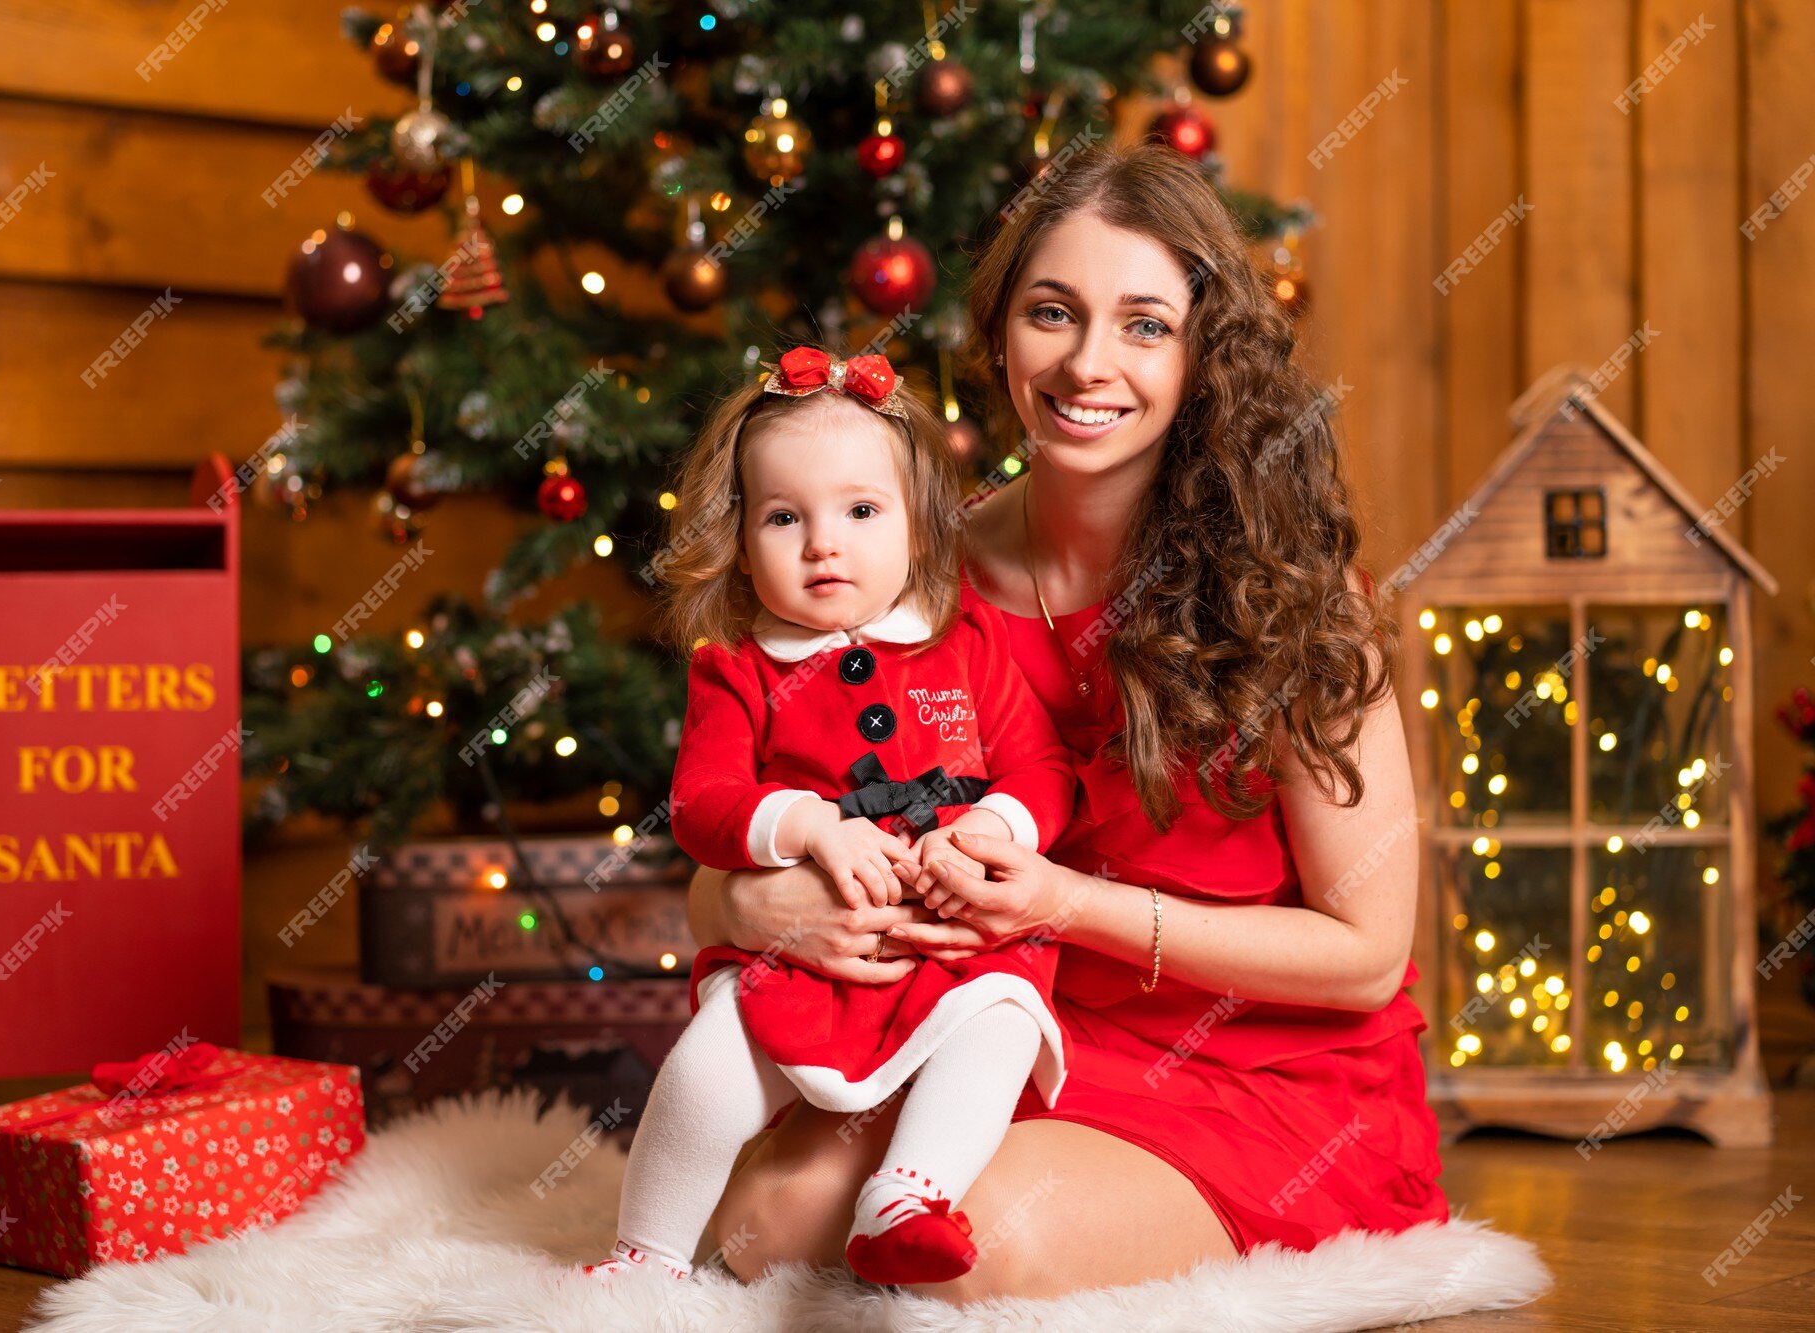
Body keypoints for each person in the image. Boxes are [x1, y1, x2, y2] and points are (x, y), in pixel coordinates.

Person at [690, 141, 1450, 1304]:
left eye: (1144, 323)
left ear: (1203, 357)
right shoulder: (910, 579)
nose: (1088, 361)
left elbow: (1364, 958)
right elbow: (732, 816)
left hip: (1257, 1069)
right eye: (1052, 311)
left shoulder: (1292, 595)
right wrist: (753, 901)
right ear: (999, 331)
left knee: (977, 1244)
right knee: (758, 1223)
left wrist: (1061, 903)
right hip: (982, 1029)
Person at [579, 343, 1079, 1287]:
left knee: (1006, 1020)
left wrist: (995, 828)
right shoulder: (736, 664)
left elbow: (1044, 769)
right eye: (783, 517)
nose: (823, 543)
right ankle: (642, 1256)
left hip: (954, 941)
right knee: (708, 1068)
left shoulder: (963, 641)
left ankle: (907, 1196)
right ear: (740, 537)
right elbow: (702, 805)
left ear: (921, 531)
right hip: (796, 953)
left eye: (860, 511)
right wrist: (807, 826)